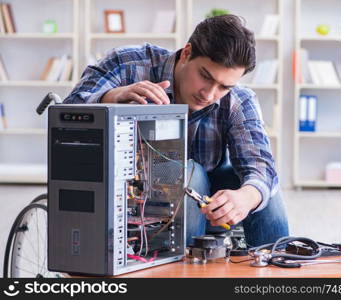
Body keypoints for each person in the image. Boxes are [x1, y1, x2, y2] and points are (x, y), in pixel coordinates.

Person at [64, 14, 289, 247]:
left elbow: (261, 165)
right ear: (186, 53)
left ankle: (277, 269)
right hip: (134, 195)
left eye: (224, 86)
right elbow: (67, 112)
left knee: (264, 191)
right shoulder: (127, 64)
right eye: (205, 76)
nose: (209, 94)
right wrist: (112, 97)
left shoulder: (238, 100)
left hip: (208, 203)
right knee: (193, 173)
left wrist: (247, 197)